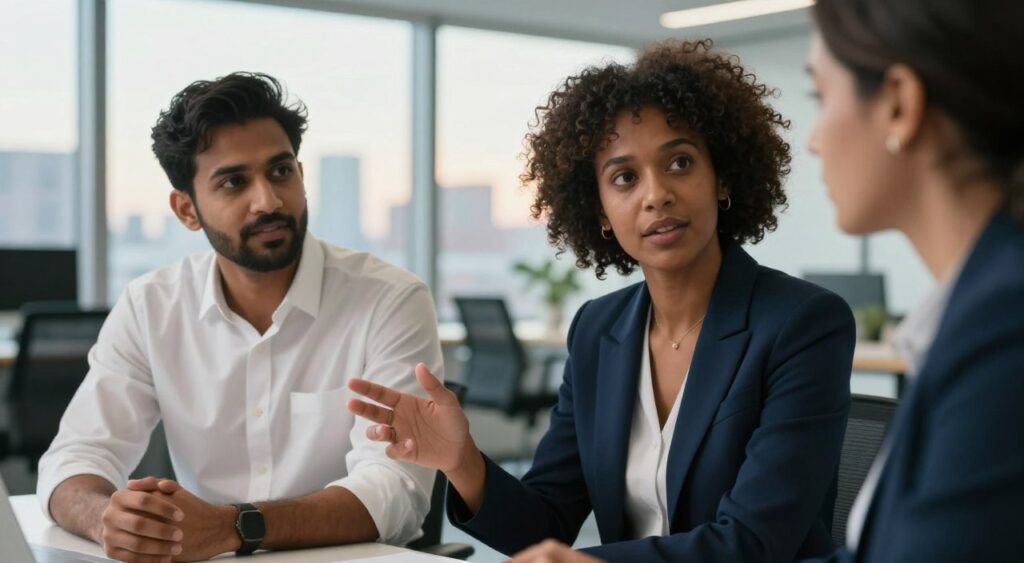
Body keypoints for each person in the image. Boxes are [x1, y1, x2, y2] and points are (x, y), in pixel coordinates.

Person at [347, 40, 856, 562]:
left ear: (721, 178)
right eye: (624, 177)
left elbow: (753, 543)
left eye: (680, 162)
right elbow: (544, 524)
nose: (655, 194)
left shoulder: (802, 323)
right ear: (602, 214)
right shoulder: (598, 329)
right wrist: (463, 461)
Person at [37, 72, 440, 562]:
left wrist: (235, 527)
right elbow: (75, 457)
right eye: (233, 182)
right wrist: (106, 520)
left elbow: (397, 488)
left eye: (280, 172)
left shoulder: (390, 300)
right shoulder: (150, 307)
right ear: (187, 209)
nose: (268, 201)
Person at [801, 0, 1024, 561]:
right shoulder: (976, 310)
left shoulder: (1005, 329)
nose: (813, 140)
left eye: (820, 97)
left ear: (899, 103)